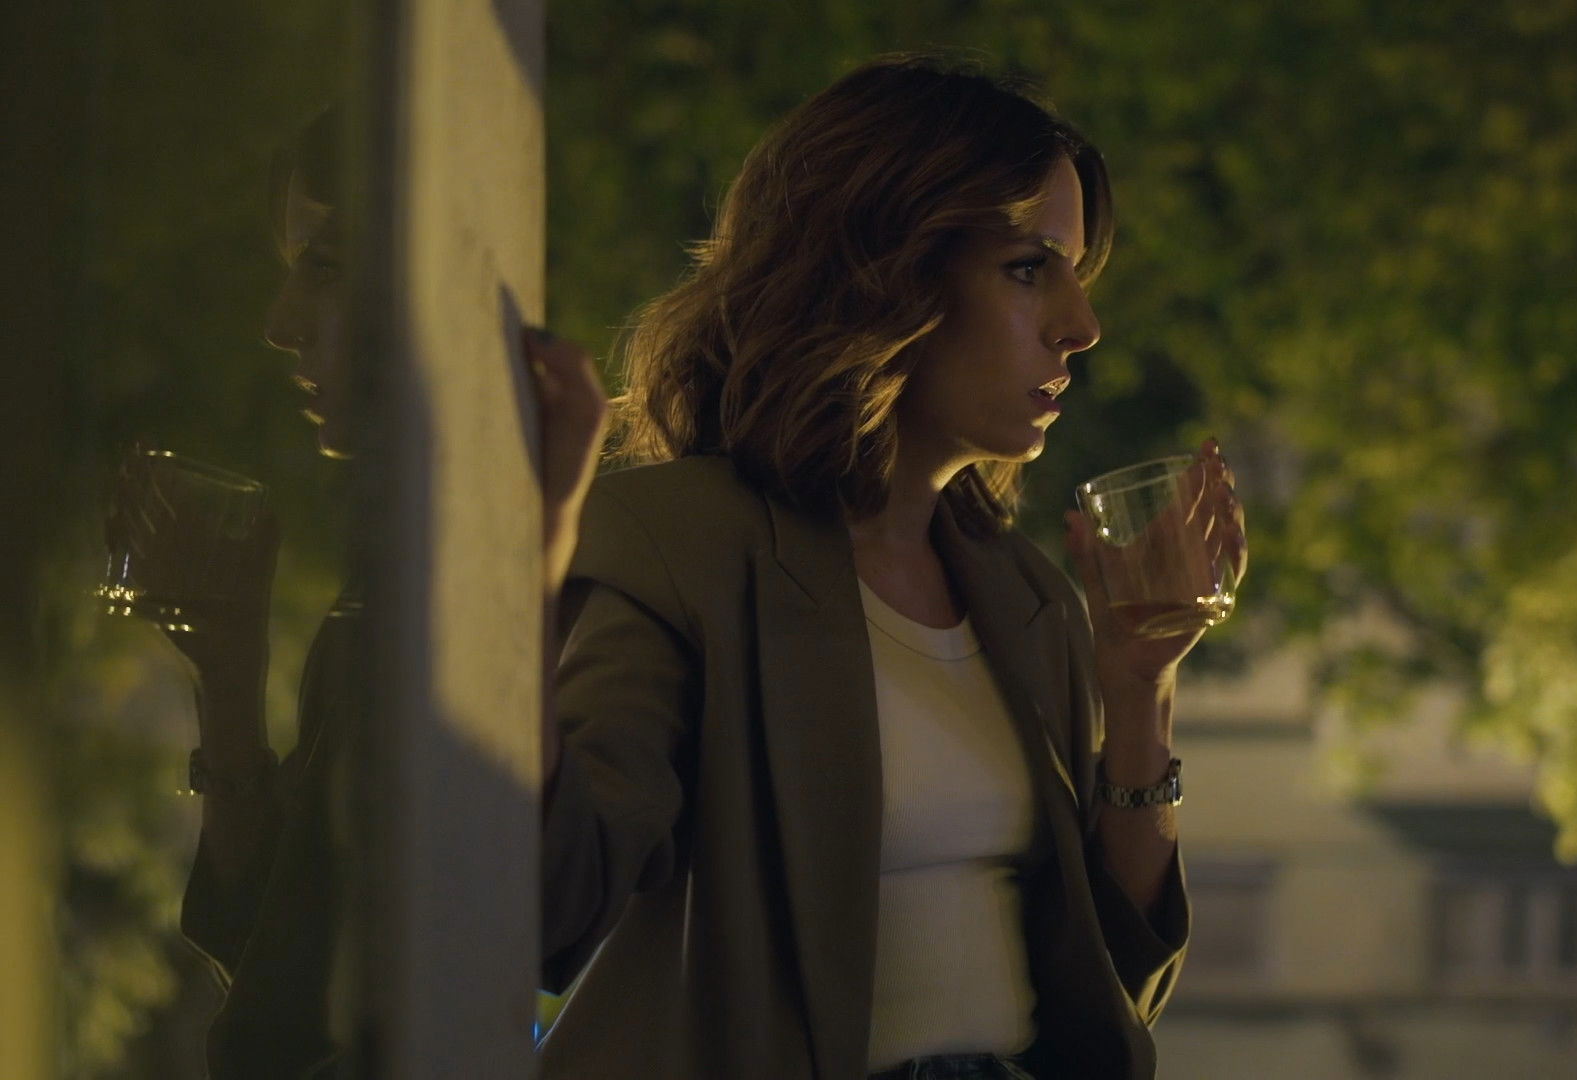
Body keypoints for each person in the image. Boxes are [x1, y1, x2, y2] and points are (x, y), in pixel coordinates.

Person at [537, 54, 1247, 1080]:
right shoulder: (678, 548)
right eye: (1029, 267)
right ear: (883, 272)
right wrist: (520, 567)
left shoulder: (1026, 596)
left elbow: (1116, 988)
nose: (1081, 328)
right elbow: (548, 896)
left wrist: (1141, 691)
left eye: (1076, 278)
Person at [113, 108, 606, 1077]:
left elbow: (549, 915)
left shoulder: (562, 583)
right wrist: (229, 672)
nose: (279, 323)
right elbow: (278, 955)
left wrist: (540, 546)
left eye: (327, 267)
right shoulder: (391, 585)